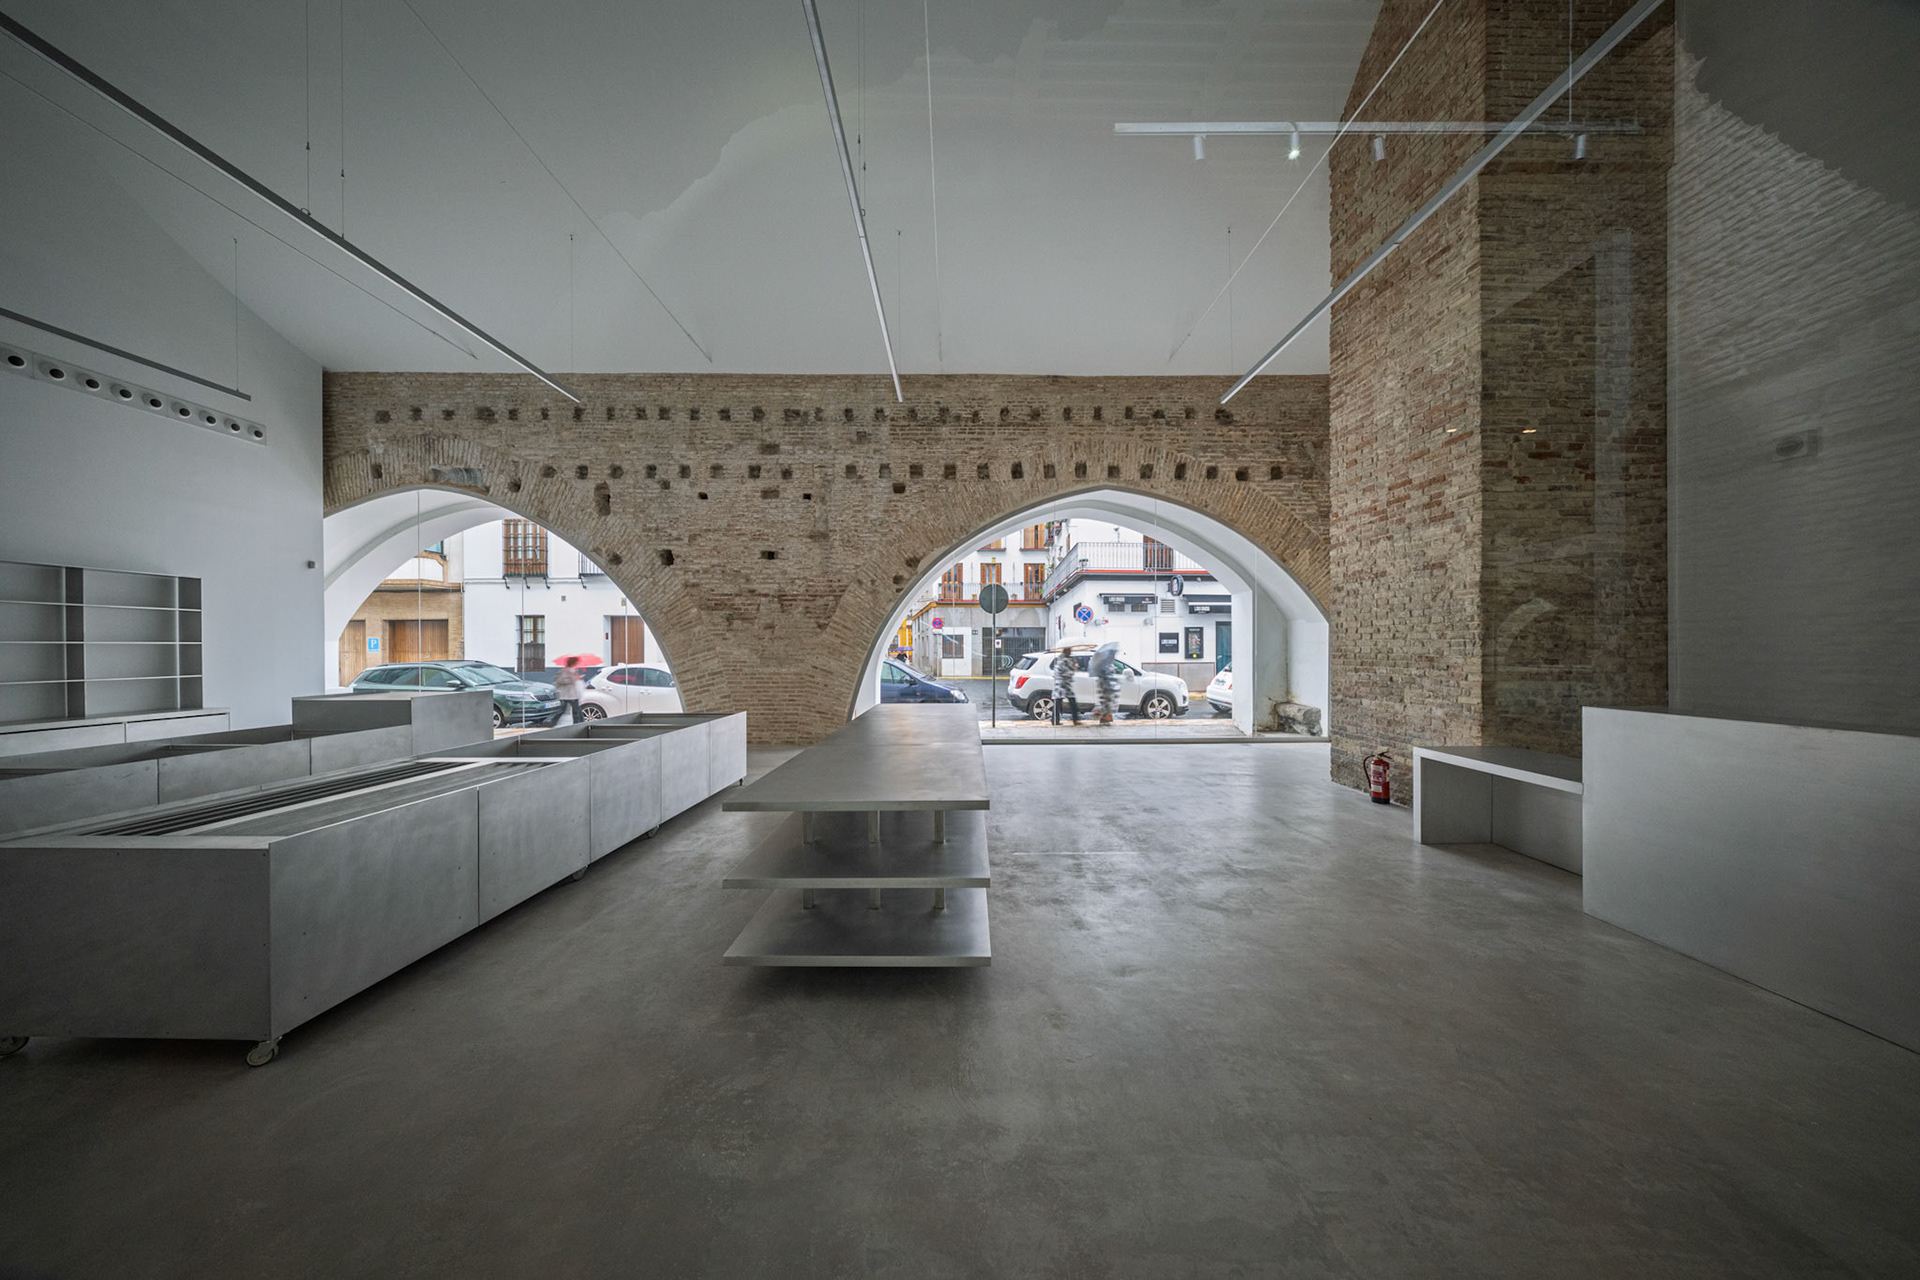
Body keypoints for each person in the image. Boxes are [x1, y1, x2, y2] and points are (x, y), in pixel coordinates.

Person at [1049, 647, 1082, 726]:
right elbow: (1068, 673)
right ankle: (1075, 719)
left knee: (1058, 702)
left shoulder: (1060, 660)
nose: (1071, 653)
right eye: (1070, 651)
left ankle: (1055, 720)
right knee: (1072, 702)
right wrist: (1075, 667)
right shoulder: (1065, 661)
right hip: (1064, 685)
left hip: (1059, 684)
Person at [1091, 641, 1121, 725]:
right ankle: (1104, 719)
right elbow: (1106, 678)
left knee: (1107, 707)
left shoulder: (1106, 665)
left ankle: (1104, 719)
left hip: (1107, 692)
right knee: (1106, 707)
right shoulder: (1104, 666)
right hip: (1106, 690)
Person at [552, 659, 584, 724]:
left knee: (576, 709)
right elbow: (562, 680)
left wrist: (576, 677)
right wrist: (574, 678)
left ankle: (579, 722)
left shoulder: (573, 670)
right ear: (572, 662)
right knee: (564, 710)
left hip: (572, 694)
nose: (577, 664)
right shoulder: (565, 670)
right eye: (576, 662)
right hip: (567, 694)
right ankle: (552, 722)